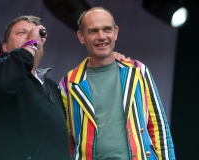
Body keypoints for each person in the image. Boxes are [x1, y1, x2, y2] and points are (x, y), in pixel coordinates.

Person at [59, 6, 176, 160]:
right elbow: (65, 141)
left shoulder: (138, 71)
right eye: (93, 31)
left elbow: (159, 128)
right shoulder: (69, 82)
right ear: (81, 36)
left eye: (107, 29)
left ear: (116, 32)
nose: (102, 36)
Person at [0, 15, 71, 160]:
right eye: (22, 33)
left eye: (35, 34)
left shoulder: (52, 86)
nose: (30, 37)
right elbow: (1, 84)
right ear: (5, 47)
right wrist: (31, 44)